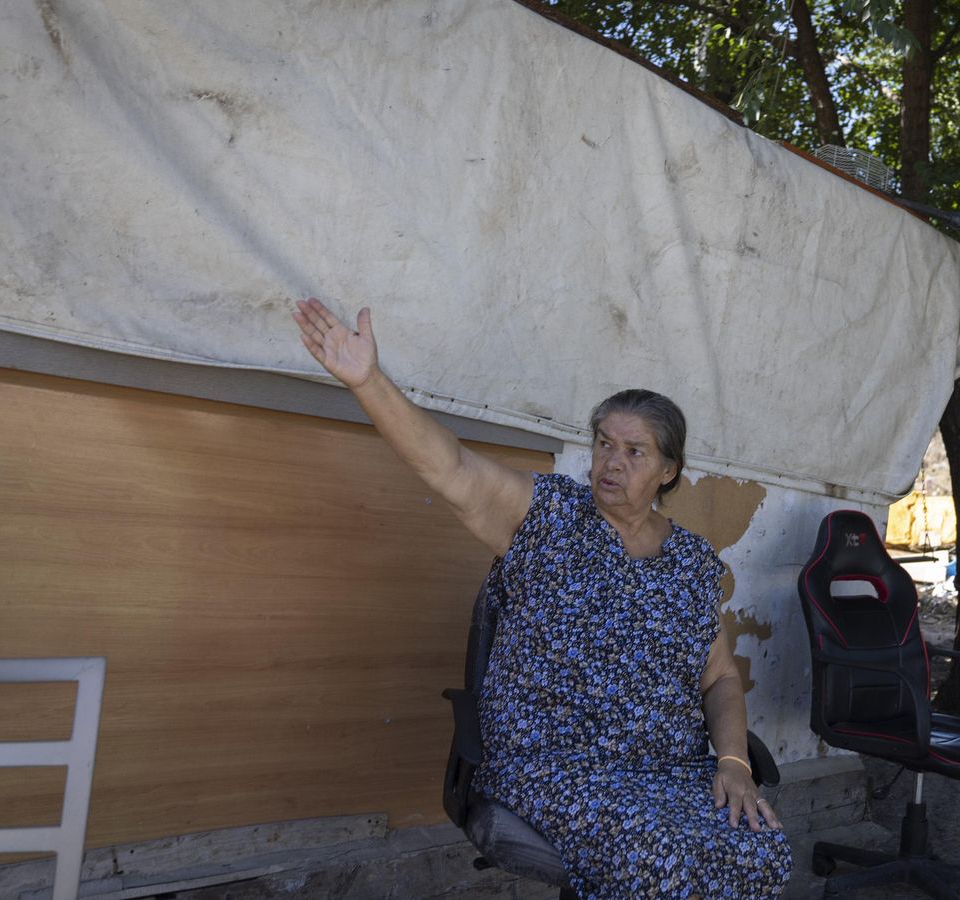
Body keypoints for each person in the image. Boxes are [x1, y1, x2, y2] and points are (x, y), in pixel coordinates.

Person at [292, 298, 791, 898]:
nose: (612, 461)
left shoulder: (692, 563)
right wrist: (369, 381)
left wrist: (734, 761)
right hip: (555, 764)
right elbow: (447, 466)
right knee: (661, 862)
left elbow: (721, 679)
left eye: (635, 451)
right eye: (605, 444)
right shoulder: (547, 515)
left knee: (761, 852)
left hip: (666, 769)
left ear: (667, 470)